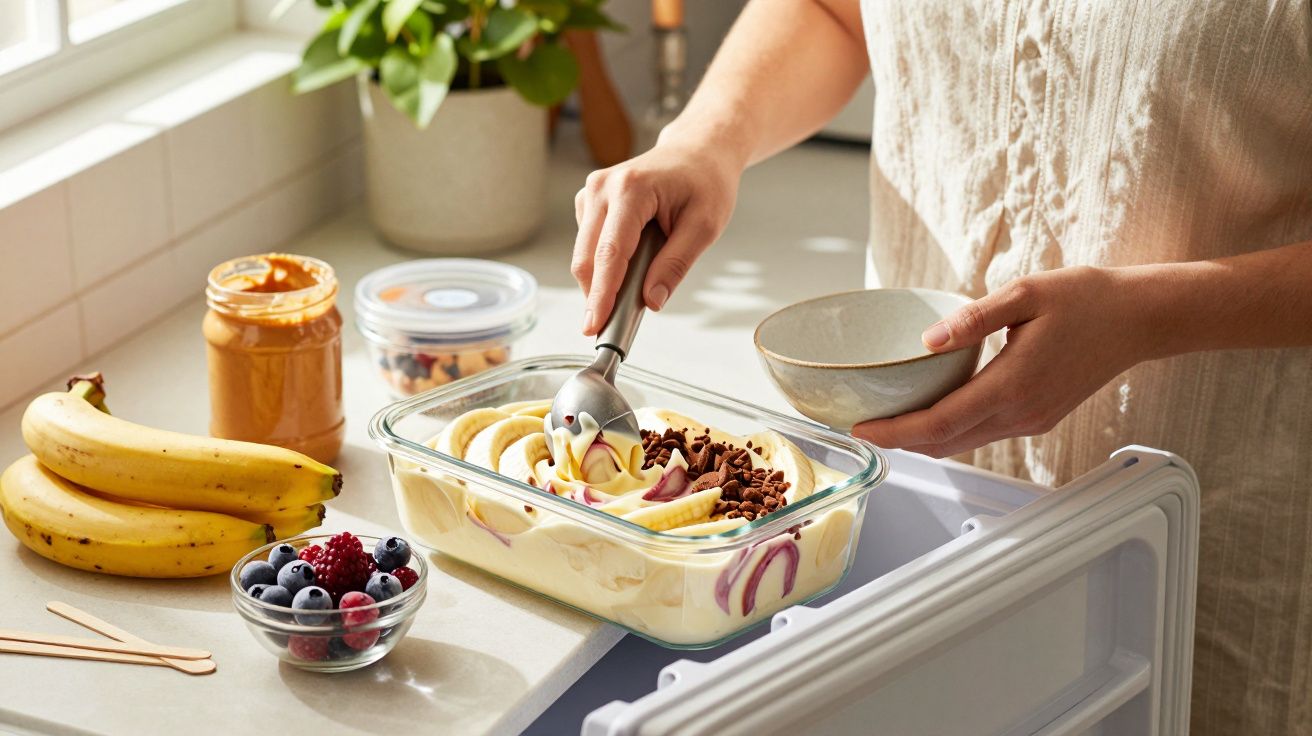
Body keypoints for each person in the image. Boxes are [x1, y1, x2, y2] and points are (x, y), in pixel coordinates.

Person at [568, 0, 1312, 733]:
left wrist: (1149, 317)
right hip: (917, 508)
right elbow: (836, 13)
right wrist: (707, 140)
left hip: (1216, 519)